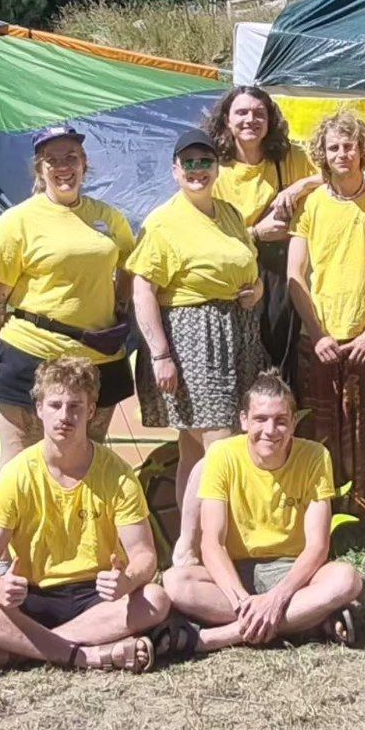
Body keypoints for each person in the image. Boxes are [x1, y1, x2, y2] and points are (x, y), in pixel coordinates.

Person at [0, 357, 170, 674]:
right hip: (32, 597)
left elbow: (144, 555)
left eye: (75, 406)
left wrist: (126, 581)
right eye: (56, 405)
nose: (65, 416)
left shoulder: (117, 474)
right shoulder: (17, 473)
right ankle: (86, 655)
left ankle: (26, 650)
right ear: (39, 409)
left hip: (97, 596)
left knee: (155, 599)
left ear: (91, 411)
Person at [129, 127, 265, 566]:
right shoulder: (163, 221)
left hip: (237, 330)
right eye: (188, 163)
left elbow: (251, 269)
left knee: (197, 448)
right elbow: (143, 289)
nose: (197, 170)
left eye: (205, 162)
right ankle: (202, 548)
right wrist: (161, 355)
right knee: (220, 445)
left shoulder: (229, 214)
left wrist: (257, 290)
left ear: (217, 167)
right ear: (175, 170)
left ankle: (189, 546)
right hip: (192, 336)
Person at [0, 125, 136, 474]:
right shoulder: (15, 223)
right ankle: (3, 530)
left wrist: (120, 305)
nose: (63, 167)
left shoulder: (108, 218)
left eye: (71, 158)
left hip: (98, 358)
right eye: (52, 160)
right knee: (18, 464)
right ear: (40, 169)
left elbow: (129, 264)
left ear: (84, 163)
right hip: (29, 353)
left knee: (87, 460)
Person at [164, 372, 363, 649]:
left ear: (294, 423)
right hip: (235, 571)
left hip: (292, 572)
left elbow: (318, 546)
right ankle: (309, 622)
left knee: (346, 579)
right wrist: (242, 602)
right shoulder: (222, 455)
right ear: (244, 420)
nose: (270, 430)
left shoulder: (316, 456)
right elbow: (212, 543)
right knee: (175, 582)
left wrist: (277, 598)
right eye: (260, 419)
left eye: (281, 421)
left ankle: (221, 636)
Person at [288, 110, 365, 514]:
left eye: (349, 146)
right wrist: (316, 333)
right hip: (319, 337)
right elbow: (294, 274)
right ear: (322, 152)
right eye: (334, 147)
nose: (342, 154)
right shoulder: (311, 205)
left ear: (363, 151)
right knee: (321, 426)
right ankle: (325, 510)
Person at [208, 87, 320, 382]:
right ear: (226, 120)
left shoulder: (289, 157)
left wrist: (301, 185)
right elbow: (205, 232)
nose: (251, 120)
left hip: (282, 275)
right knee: (242, 362)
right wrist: (255, 233)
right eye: (242, 113)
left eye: (259, 113)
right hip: (237, 275)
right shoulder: (216, 168)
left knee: (282, 361)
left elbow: (336, 174)